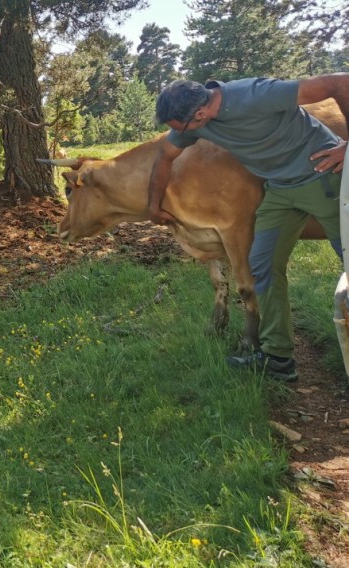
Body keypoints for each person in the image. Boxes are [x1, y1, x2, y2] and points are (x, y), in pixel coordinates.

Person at [148, 74, 349, 381]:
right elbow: (165, 156)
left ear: (198, 115)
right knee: (262, 266)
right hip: (280, 189)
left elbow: (341, 83)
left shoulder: (257, 94)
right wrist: (153, 204)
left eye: (179, 128)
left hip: (323, 176)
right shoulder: (194, 120)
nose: (177, 136)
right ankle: (278, 358)